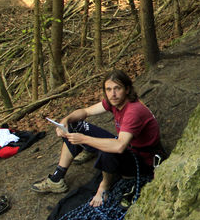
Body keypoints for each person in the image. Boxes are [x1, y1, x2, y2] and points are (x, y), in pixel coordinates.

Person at [32, 70, 164, 207]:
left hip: (143, 161)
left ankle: (104, 187)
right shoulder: (114, 102)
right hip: (129, 147)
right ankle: (57, 177)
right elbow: (86, 111)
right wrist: (66, 120)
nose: (113, 94)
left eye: (117, 88)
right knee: (74, 125)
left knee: (107, 151)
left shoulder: (133, 111)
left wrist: (83, 139)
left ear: (127, 89)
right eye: (109, 89)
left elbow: (119, 146)